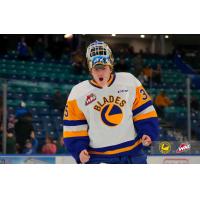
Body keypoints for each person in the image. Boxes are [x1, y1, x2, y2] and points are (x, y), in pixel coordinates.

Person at [63, 41, 159, 164]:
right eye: (96, 69)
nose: (100, 72)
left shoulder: (129, 81)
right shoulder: (78, 93)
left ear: (111, 66)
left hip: (132, 154)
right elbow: (74, 127)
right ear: (90, 69)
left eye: (103, 68)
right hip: (97, 158)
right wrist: (79, 150)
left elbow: (144, 112)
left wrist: (148, 132)